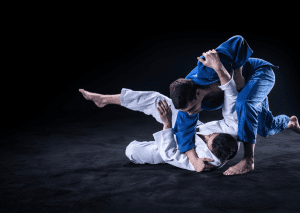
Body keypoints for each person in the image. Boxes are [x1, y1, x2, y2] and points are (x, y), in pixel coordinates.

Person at [78, 51, 300, 173]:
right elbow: (232, 99)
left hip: (171, 147)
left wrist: (166, 125)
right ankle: (104, 100)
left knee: (133, 150)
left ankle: (286, 123)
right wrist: (223, 70)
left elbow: (171, 155)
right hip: (187, 131)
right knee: (159, 100)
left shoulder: (206, 161)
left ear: (213, 154)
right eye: (210, 134)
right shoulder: (232, 130)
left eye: (207, 138)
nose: (205, 134)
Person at [170, 35, 299, 175]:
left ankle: (248, 160)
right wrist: (195, 161)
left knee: (243, 102)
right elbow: (183, 132)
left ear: (198, 93)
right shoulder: (187, 99)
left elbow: (237, 41)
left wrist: (238, 73)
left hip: (259, 74)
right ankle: (291, 123)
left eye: (191, 109)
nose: (190, 113)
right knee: (264, 128)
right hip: (246, 91)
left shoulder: (207, 68)